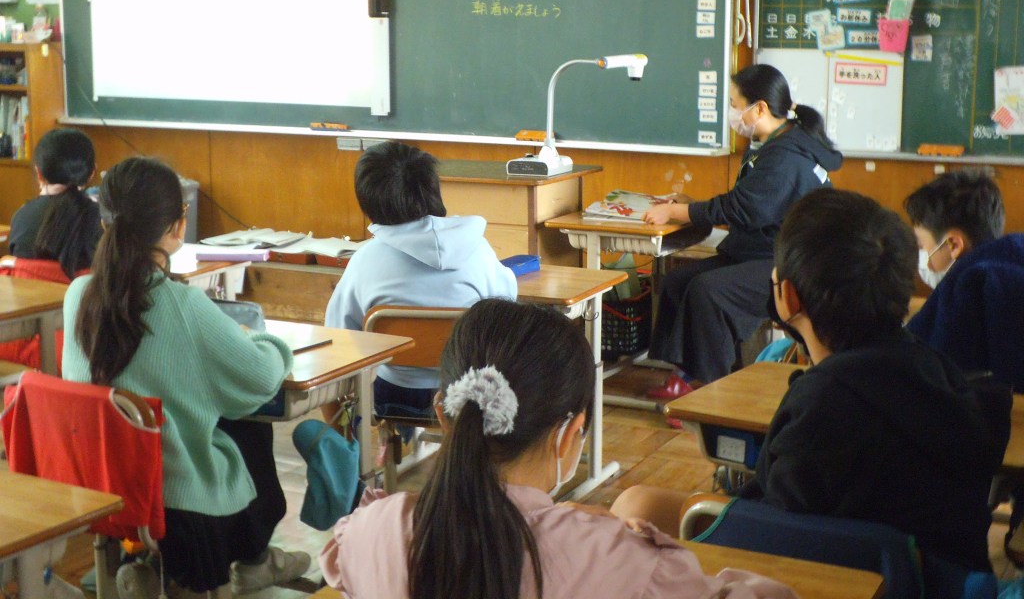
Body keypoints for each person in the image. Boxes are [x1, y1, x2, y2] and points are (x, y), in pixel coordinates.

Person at [320, 297, 796, 599]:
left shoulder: (371, 531)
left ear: (443, 414)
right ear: (569, 436)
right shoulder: (622, 563)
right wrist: (618, 541)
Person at [62, 157, 310, 599]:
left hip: (102, 486)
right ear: (179, 224)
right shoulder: (184, 305)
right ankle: (251, 561)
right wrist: (264, 342)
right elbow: (261, 379)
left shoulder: (78, 295)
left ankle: (148, 564)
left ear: (104, 223)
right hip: (182, 508)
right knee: (248, 425)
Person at [739, 188, 1010, 577]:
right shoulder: (940, 372)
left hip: (845, 580)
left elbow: (774, 536)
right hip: (941, 582)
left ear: (787, 297)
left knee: (658, 508)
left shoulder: (820, 407)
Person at [643, 64, 842, 398]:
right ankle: (686, 374)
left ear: (760, 108)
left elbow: (745, 209)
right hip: (763, 249)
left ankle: (712, 392)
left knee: (709, 292)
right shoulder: (770, 141)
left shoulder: (786, 155)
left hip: (796, 264)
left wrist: (677, 212)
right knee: (678, 281)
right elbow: (747, 200)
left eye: (736, 105)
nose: (732, 113)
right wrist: (692, 206)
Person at [324, 140, 517, 420]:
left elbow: (338, 333)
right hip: (467, 398)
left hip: (392, 397)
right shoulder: (478, 248)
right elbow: (506, 307)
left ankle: (361, 443)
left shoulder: (366, 259)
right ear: (434, 189)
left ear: (368, 203)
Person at [904, 169, 1024, 390]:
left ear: (953, 245)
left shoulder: (964, 291)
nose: (921, 255)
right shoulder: (1013, 260)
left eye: (922, 246)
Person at [7, 127, 102, 279]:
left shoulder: (21, 216)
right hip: (81, 295)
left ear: (39, 173)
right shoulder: (102, 220)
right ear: (92, 173)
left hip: (30, 294)